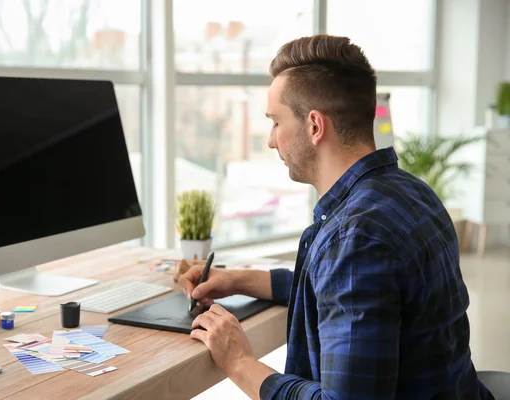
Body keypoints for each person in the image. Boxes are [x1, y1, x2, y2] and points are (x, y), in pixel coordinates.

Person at [179, 35, 494, 400]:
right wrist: (238, 280)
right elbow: (351, 289)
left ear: (315, 126)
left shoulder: (356, 238)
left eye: (276, 123)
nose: (270, 140)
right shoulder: (409, 191)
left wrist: (239, 362)